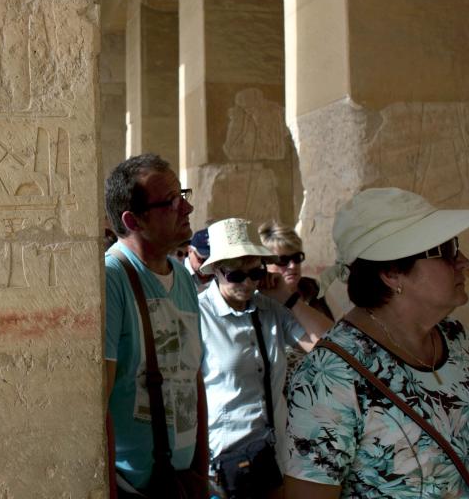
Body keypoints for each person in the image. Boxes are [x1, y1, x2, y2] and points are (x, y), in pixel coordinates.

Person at [285, 188, 469, 499]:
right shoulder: (330, 378)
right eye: (446, 249)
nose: (463, 261)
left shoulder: (452, 337)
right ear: (392, 272)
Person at [198, 218, 333, 499]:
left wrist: (287, 297)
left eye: (255, 272)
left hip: (273, 457)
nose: (248, 283)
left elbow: (330, 348)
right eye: (236, 275)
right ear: (216, 272)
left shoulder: (269, 308)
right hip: (223, 465)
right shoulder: (198, 314)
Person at [104, 153, 208, 497]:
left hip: (182, 482)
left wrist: (200, 469)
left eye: (184, 196)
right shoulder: (112, 278)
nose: (187, 209)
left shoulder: (181, 275)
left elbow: (194, 378)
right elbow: (98, 403)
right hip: (132, 487)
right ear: (133, 220)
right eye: (171, 202)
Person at [259, 221, 334, 389]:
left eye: (297, 258)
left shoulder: (312, 289)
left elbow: (336, 341)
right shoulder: (258, 302)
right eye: (283, 260)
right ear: (263, 264)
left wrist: (291, 299)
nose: (292, 266)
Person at [183, 228, 215, 293]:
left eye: (211, 260)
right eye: (202, 259)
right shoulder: (174, 273)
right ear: (189, 251)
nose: (207, 264)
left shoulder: (221, 274)